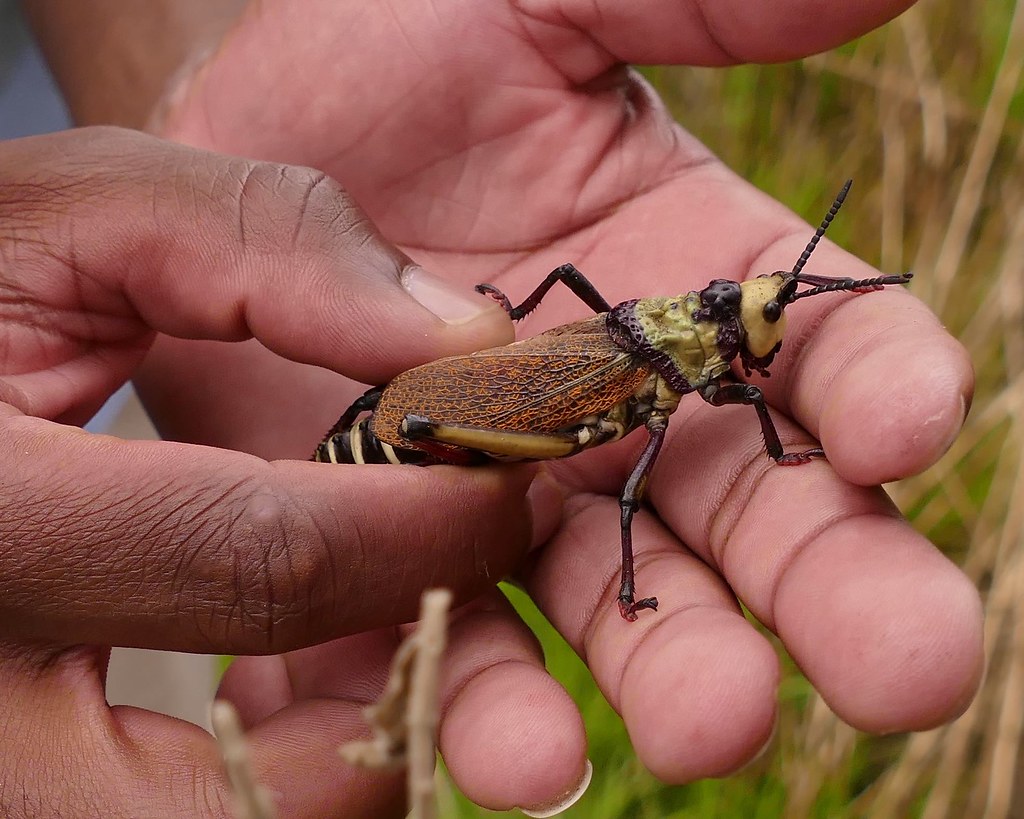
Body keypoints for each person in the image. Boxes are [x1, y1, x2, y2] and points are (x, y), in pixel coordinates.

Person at [4, 1, 983, 816]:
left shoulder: (688, 344)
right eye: (753, 315)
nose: (757, 334)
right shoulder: (664, 364)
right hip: (396, 425)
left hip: (121, 342)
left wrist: (173, 97)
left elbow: (734, 379)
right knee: (590, 492)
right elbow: (635, 487)